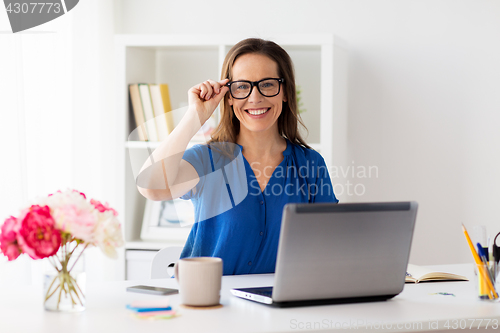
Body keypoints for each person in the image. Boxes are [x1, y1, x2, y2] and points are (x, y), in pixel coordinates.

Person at [138, 38, 338, 275]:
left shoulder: (311, 164)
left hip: (279, 306)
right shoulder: (207, 160)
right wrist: (195, 116)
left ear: (284, 92)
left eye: (268, 84)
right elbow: (151, 188)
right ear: (229, 96)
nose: (255, 97)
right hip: (209, 303)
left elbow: (329, 246)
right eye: (242, 86)